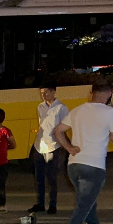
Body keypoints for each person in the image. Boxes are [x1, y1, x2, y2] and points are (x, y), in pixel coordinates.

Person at [54, 79, 113, 224]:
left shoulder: (78, 110)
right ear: (109, 93)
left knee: (88, 206)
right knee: (82, 208)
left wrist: (69, 148)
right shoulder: (111, 112)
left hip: (74, 165)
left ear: (91, 93)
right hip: (93, 167)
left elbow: (58, 131)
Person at [29, 82, 69, 214]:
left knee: (51, 177)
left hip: (53, 146)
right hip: (39, 145)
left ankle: (53, 204)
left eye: (46, 92)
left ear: (53, 92)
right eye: (42, 93)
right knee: (38, 177)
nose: (44, 95)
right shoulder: (40, 107)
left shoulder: (61, 108)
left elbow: (64, 128)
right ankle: (40, 203)